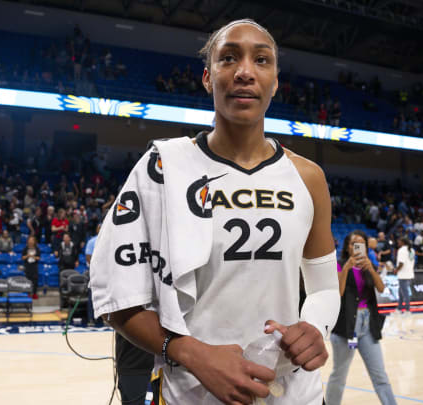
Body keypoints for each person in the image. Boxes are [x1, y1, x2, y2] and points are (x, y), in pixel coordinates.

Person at [90, 20, 340, 405]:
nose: (244, 71)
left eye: (261, 59)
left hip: (295, 394)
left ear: (275, 81)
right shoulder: (163, 167)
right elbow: (116, 297)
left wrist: (315, 327)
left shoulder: (308, 177)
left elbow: (323, 286)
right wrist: (193, 353)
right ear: (208, 78)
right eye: (228, 59)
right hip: (191, 393)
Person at [326, 231, 397, 405]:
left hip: (367, 326)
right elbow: (339, 293)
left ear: (365, 246)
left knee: (380, 375)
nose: (355, 246)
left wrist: (372, 270)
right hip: (347, 328)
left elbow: (380, 289)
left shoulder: (368, 265)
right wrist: (347, 268)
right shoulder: (339, 264)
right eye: (352, 243)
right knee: (339, 374)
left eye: (359, 243)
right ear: (347, 246)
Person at [394, 237, 415, 314]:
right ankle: (399, 308)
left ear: (402, 242)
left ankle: (407, 310)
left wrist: (396, 270)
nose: (398, 243)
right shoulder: (412, 250)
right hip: (409, 274)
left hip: (403, 274)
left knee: (405, 293)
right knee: (401, 292)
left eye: (399, 241)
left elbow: (401, 263)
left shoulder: (401, 250)